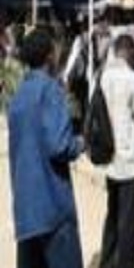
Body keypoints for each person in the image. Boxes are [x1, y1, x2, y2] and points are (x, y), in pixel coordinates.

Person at [8, 28, 85, 268]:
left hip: (26, 211)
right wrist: (80, 143)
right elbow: (59, 145)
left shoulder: (18, 96)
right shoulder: (50, 89)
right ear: (50, 55)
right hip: (53, 208)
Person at [98, 35, 134, 268]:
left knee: (112, 213)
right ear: (128, 51)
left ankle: (107, 260)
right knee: (128, 220)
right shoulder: (133, 79)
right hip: (128, 159)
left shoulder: (103, 76)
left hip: (109, 157)